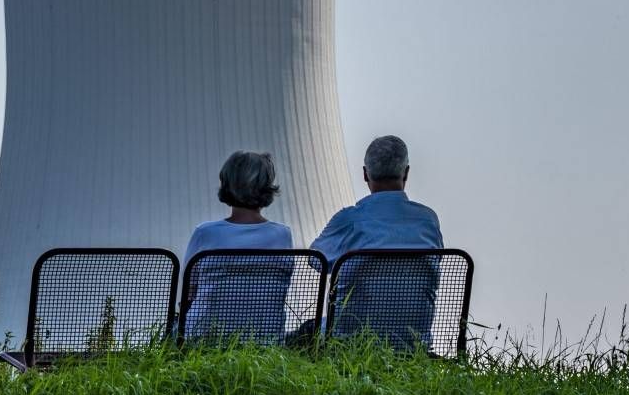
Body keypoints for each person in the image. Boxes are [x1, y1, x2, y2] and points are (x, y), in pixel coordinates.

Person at [310, 135, 442, 351]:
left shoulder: (349, 220)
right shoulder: (428, 220)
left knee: (304, 333)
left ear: (365, 174)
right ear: (406, 172)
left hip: (349, 344)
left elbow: (316, 260)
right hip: (412, 345)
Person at [181, 151, 293, 342]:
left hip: (205, 339)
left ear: (226, 184)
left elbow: (188, 293)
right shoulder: (282, 235)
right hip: (265, 340)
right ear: (267, 187)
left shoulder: (205, 233)